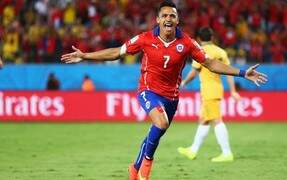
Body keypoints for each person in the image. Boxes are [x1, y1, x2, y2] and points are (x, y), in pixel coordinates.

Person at [61, 1, 267, 179]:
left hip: (171, 98)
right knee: (160, 122)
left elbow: (211, 64)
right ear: (158, 20)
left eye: (172, 16)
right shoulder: (144, 39)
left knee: (156, 134)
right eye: (164, 15)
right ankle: (146, 170)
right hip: (147, 90)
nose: (168, 19)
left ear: (177, 20)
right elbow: (117, 52)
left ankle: (134, 168)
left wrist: (242, 73)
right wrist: (85, 55)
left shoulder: (187, 43)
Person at [177, 27, 240, 162]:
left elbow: (194, 71)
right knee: (204, 120)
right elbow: (229, 72)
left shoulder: (200, 51)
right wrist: (233, 91)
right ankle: (193, 150)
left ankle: (227, 153)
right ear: (212, 37)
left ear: (199, 38)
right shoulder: (221, 52)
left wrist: (183, 83)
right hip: (217, 88)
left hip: (208, 90)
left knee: (217, 120)